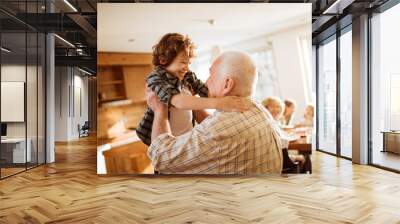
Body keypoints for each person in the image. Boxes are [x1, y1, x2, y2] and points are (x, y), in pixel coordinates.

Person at [146, 51, 283, 174]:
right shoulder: (259, 110)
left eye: (211, 75)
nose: (206, 82)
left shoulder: (217, 131)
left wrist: (160, 111)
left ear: (227, 84)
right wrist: (192, 102)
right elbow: (219, 129)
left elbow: (161, 158)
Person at [136, 33, 251, 146]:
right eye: (183, 62)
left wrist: (230, 99)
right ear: (163, 60)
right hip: (166, 140)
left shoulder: (187, 75)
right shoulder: (156, 79)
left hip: (186, 138)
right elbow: (178, 101)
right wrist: (220, 103)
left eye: (189, 63)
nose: (187, 68)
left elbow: (206, 92)